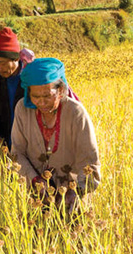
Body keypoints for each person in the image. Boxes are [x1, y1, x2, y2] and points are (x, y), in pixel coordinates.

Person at [10, 58, 100, 213]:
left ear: (60, 90)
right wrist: (35, 181)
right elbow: (17, 152)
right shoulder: (22, 110)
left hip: (71, 199)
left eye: (47, 96)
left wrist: (75, 190)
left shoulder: (76, 113)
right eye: (35, 96)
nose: (41, 102)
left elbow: (89, 161)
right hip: (37, 197)